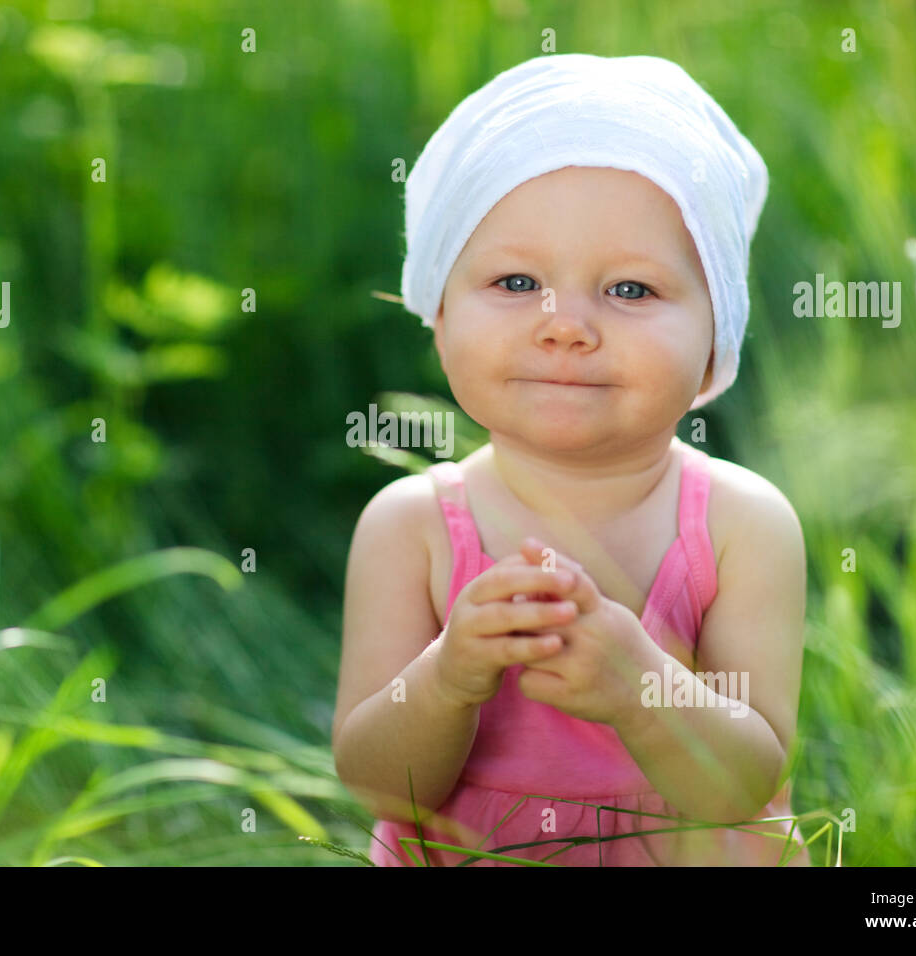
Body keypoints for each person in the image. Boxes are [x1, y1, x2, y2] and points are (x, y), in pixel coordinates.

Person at [332, 53, 810, 866]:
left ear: (714, 345)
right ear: (439, 317)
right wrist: (448, 680)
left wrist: (640, 689)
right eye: (516, 281)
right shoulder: (411, 527)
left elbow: (741, 787)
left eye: (630, 291)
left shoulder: (742, 525)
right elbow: (380, 788)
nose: (565, 325)